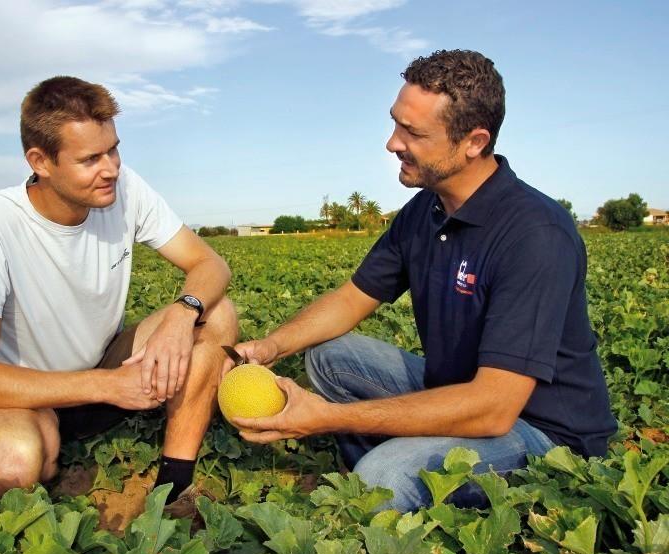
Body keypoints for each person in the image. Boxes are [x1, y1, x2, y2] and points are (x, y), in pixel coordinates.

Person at [225, 49, 617, 513]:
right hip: (459, 389)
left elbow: (494, 406)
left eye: (412, 132)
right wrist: (271, 347)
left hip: (543, 432)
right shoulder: (427, 209)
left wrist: (326, 419)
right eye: (395, 123)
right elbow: (353, 299)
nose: (392, 143)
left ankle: (392, 479)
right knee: (331, 356)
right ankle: (399, 468)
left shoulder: (535, 234)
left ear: (473, 142)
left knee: (382, 476)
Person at [0, 76, 238, 505]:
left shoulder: (124, 189)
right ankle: (14, 448)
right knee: (16, 462)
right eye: (90, 158)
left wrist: (182, 311)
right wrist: (108, 386)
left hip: (104, 368)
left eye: (114, 149)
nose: (111, 167)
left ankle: (175, 485)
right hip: (20, 396)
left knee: (217, 312)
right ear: (40, 161)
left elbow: (210, 263)